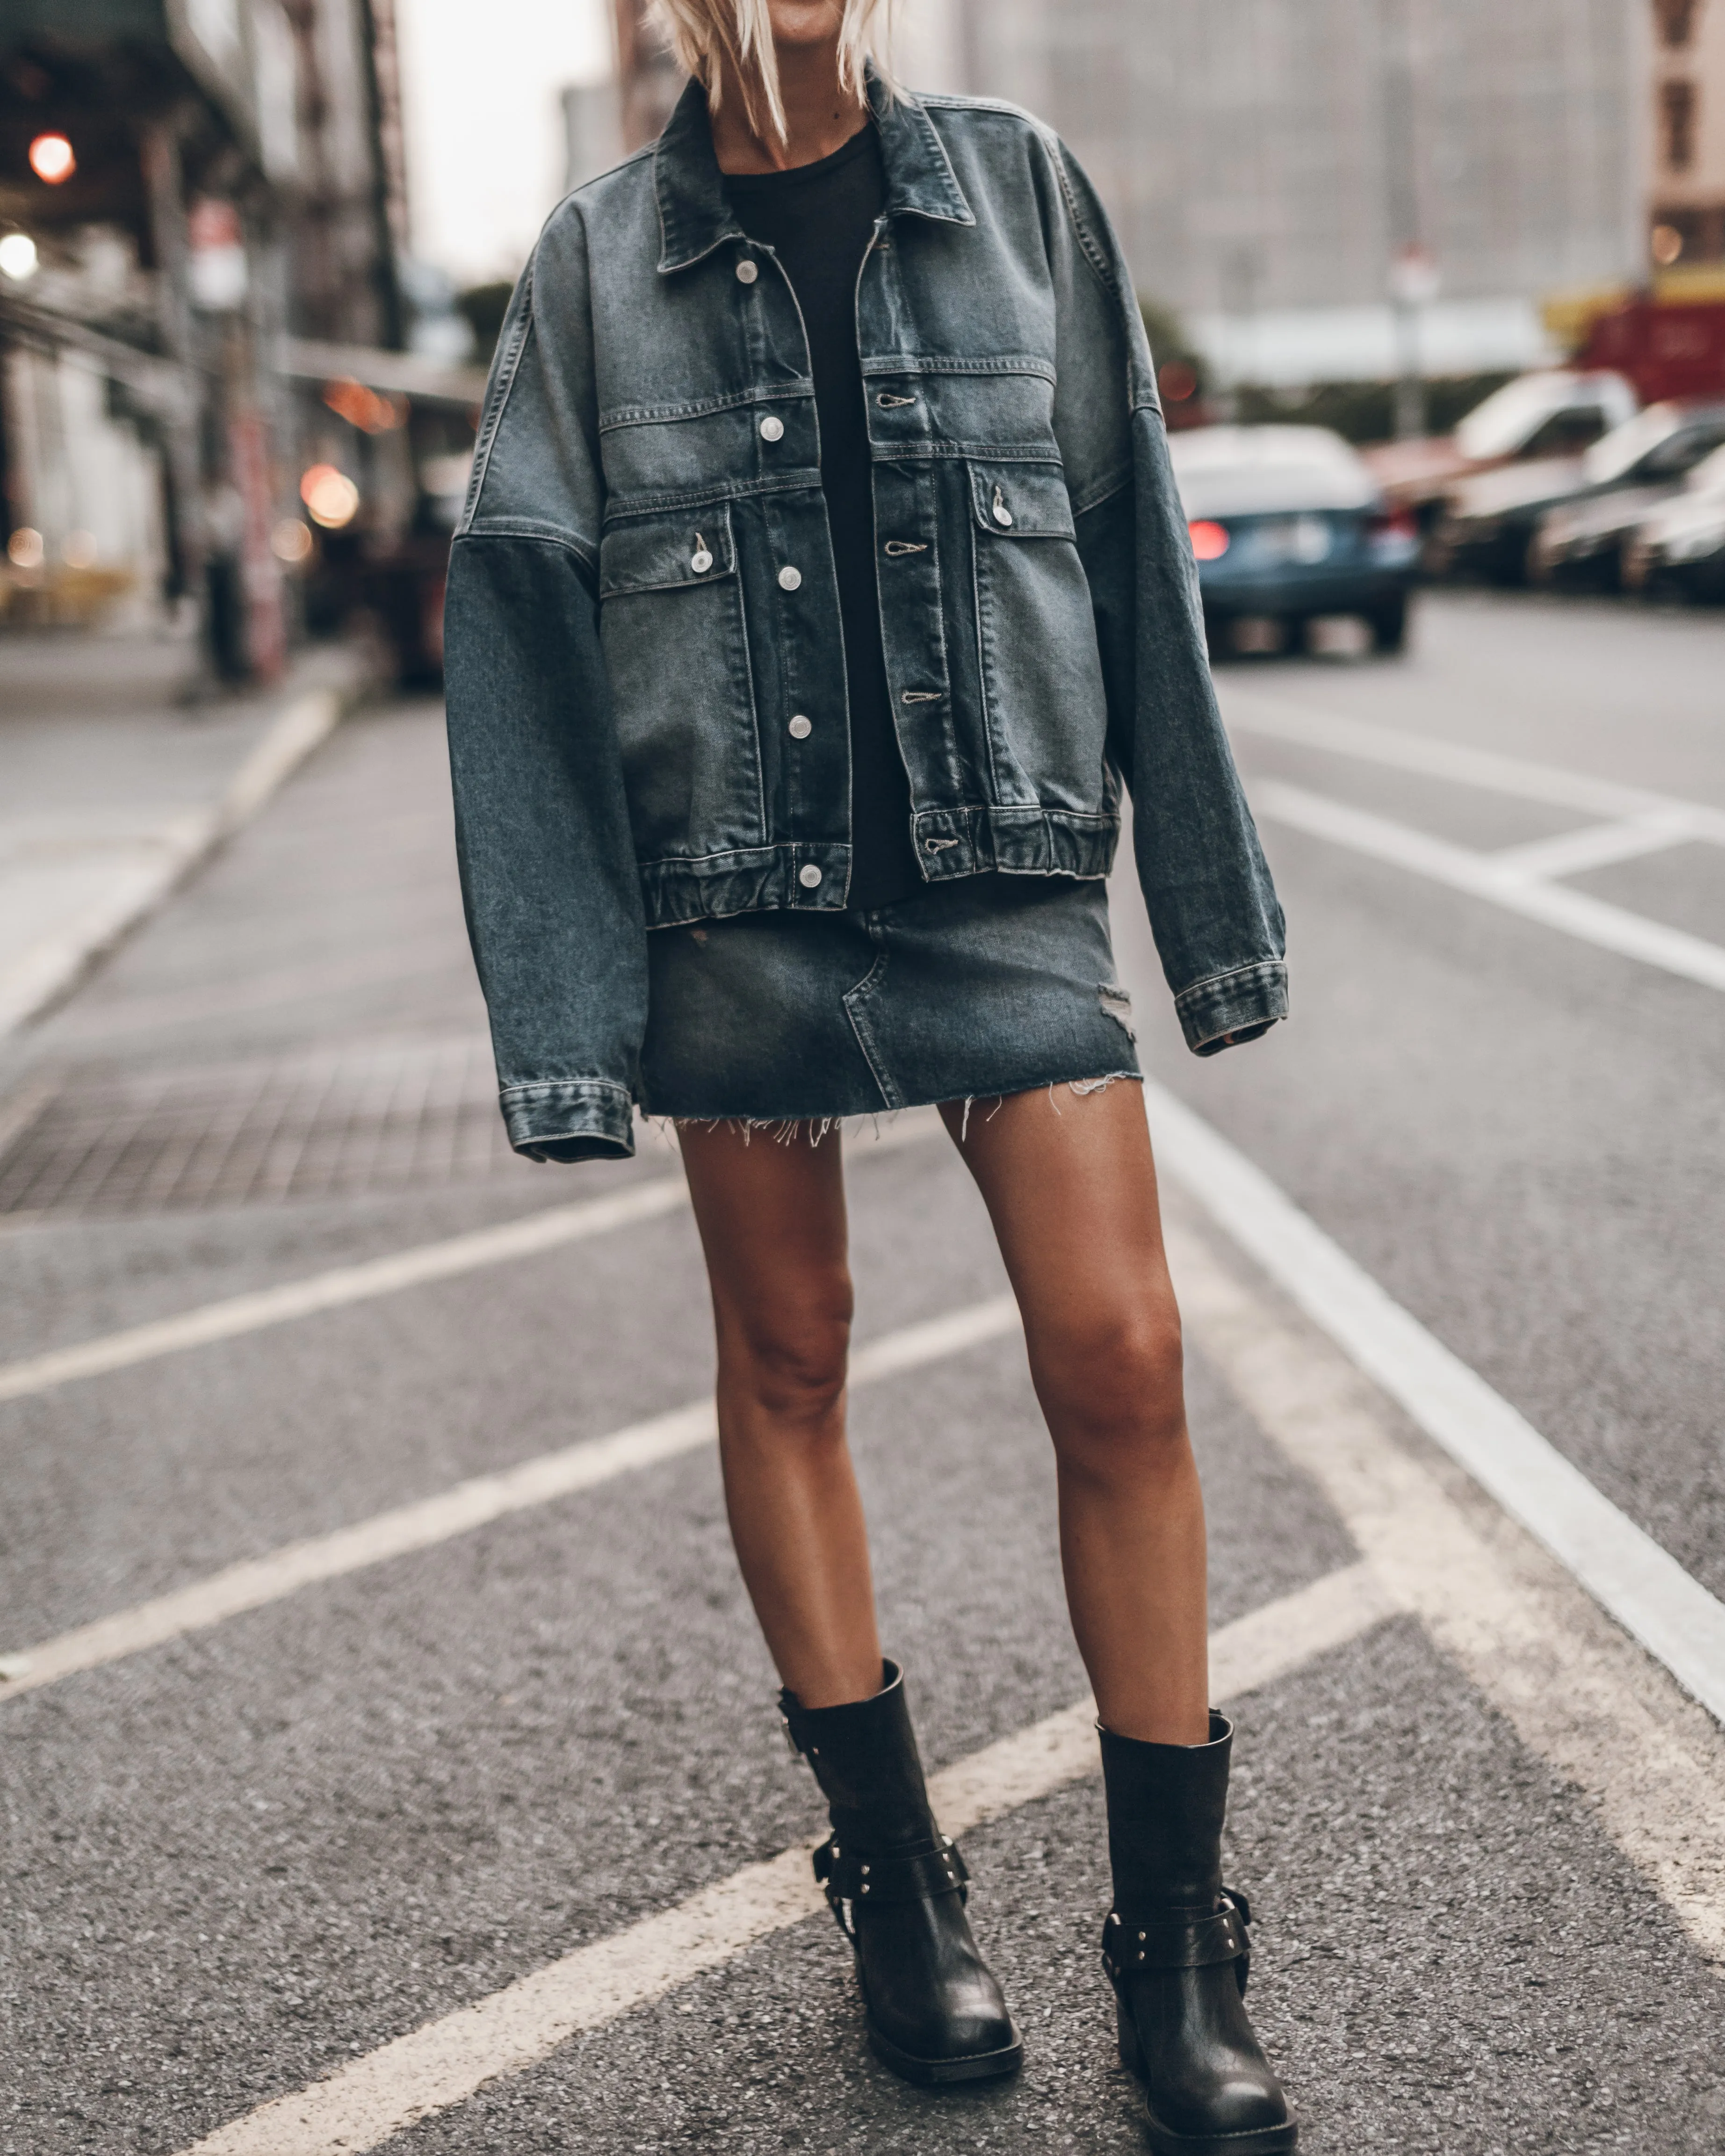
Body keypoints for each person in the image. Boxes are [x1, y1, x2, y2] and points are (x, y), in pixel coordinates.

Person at [442, 2, 1295, 2145]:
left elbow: (1129, 549)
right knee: (791, 1355)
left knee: (1123, 1357)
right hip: (735, 904)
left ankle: (1175, 1949)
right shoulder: (593, 264)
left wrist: (1207, 922)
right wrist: (567, 1028)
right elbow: (521, 632)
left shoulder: (1016, 194)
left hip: (1004, 880)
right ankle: (897, 1891)